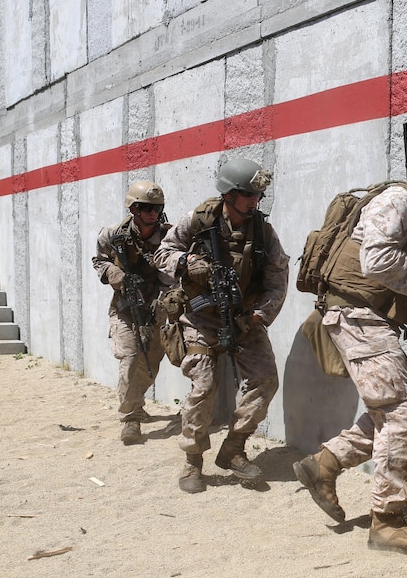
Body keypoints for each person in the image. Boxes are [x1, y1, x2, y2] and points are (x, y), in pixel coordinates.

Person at [291, 135, 407, 558]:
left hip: (365, 317)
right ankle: (387, 523)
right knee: (401, 411)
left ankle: (324, 464)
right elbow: (375, 261)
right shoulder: (399, 201)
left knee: (388, 408)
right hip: (356, 316)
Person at [155, 157, 289, 493]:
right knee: (204, 386)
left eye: (258, 195)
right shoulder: (198, 221)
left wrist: (259, 315)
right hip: (199, 317)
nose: (255, 201)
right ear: (229, 194)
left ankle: (234, 448)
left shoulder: (263, 232)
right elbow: (162, 253)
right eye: (249, 194)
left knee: (265, 379)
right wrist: (186, 261)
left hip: (244, 317)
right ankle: (192, 460)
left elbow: (278, 279)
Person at [92, 180, 171, 445]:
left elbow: (174, 270)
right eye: (146, 208)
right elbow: (99, 260)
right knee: (131, 357)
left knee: (150, 364)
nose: (153, 213)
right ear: (133, 209)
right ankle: (130, 419)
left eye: (157, 208)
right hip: (125, 308)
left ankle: (136, 401)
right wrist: (116, 274)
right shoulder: (113, 235)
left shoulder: (168, 237)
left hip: (157, 307)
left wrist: (166, 299)